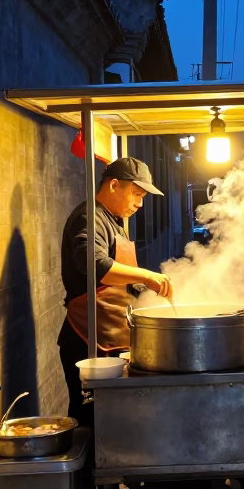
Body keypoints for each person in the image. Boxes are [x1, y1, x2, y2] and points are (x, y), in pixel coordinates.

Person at [57, 156, 173, 429]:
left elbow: (120, 282)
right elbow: (93, 264)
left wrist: (147, 291)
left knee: (113, 422)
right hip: (89, 342)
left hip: (109, 339)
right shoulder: (90, 217)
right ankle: (84, 472)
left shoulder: (112, 220)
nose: (140, 204)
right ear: (113, 186)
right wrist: (147, 274)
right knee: (91, 423)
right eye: (136, 194)